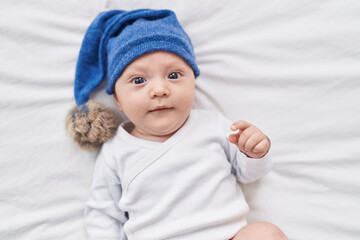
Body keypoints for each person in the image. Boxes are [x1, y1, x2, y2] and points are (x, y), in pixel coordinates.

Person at [65, 9, 287, 240]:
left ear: (193, 82)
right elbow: (103, 213)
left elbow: (249, 175)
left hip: (226, 235)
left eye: (174, 75)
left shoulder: (214, 126)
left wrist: (253, 153)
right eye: (139, 80)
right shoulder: (116, 151)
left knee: (265, 233)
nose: (160, 89)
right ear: (118, 100)